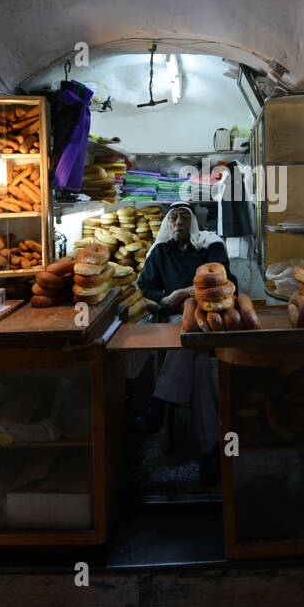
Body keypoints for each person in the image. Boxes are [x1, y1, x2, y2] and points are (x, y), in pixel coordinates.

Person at [131, 203, 233, 484]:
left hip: (209, 319)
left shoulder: (209, 247)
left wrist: (187, 291)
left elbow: (226, 278)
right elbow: (145, 286)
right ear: (167, 224)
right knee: (198, 364)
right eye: (174, 217)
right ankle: (211, 451)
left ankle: (158, 407)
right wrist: (164, 299)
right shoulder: (160, 252)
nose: (179, 222)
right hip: (175, 320)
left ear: (194, 224)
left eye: (185, 217)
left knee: (187, 339)